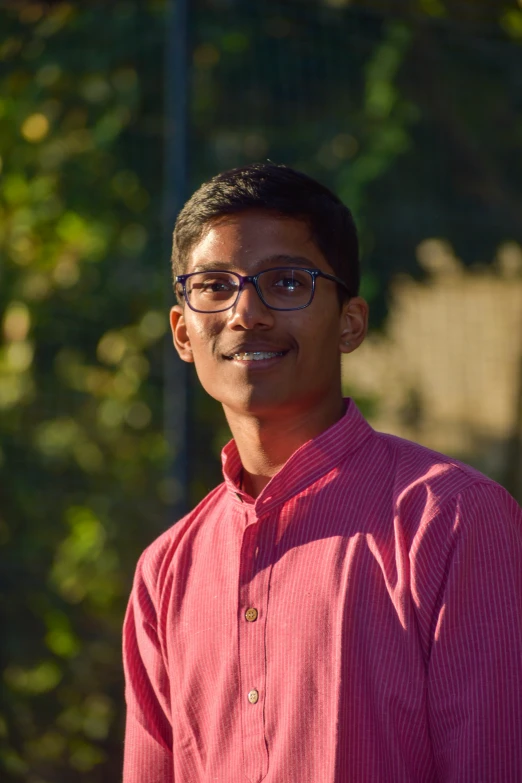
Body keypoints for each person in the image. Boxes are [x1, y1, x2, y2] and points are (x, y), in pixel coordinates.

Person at [122, 162, 522, 783]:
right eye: (215, 286)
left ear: (350, 322)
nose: (246, 313)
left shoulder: (451, 522)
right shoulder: (166, 572)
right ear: (181, 331)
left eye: (286, 282)